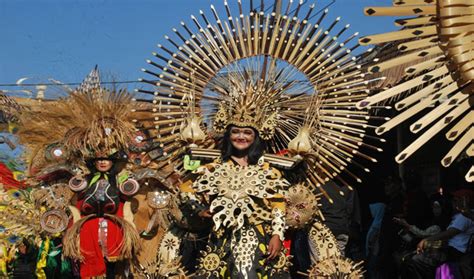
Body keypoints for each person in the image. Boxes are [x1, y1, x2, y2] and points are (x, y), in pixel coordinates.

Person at [180, 125, 290, 278]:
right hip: (221, 235)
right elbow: (186, 187)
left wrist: (277, 234)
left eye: (247, 133)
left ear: (256, 137)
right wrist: (199, 208)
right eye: (236, 132)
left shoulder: (266, 168)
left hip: (256, 234)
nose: (241, 136)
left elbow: (278, 203)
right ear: (228, 135)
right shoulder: (216, 165)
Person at [401, 189, 474, 279]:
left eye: (457, 200)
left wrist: (426, 240)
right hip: (449, 249)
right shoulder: (459, 216)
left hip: (454, 252)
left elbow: (449, 233)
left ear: (466, 200)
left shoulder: (464, 217)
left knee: (416, 259)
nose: (453, 202)